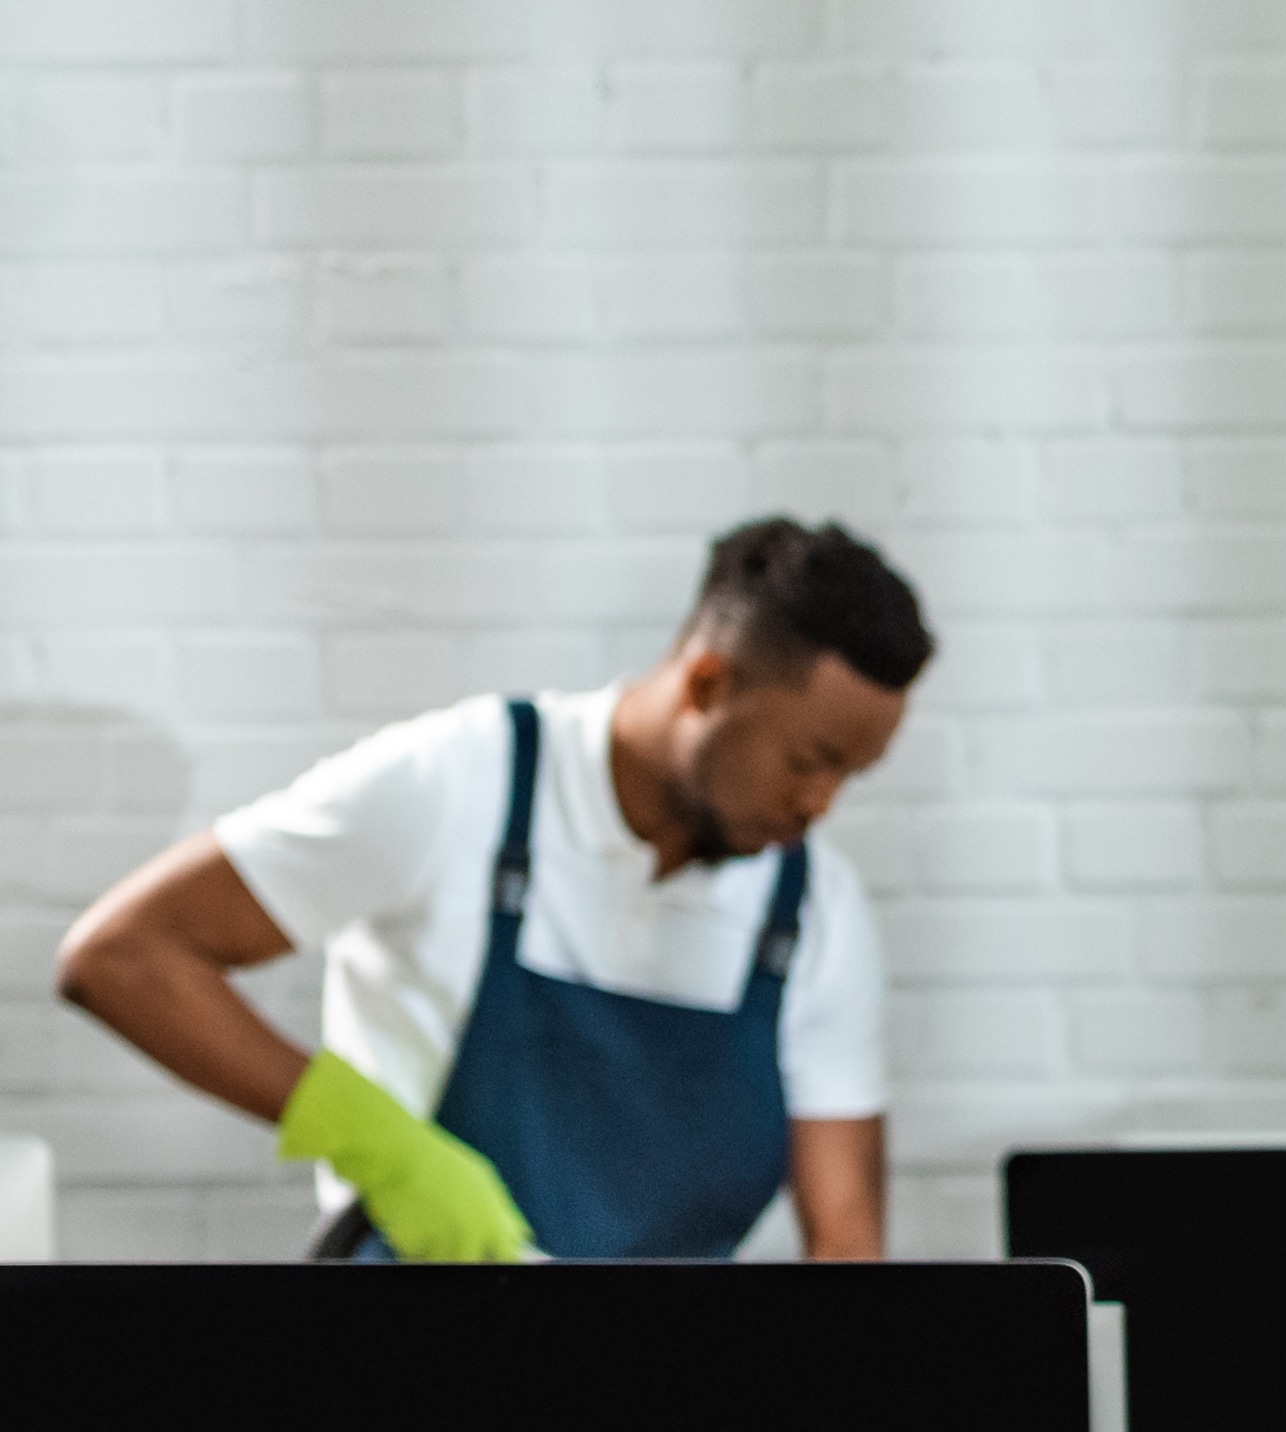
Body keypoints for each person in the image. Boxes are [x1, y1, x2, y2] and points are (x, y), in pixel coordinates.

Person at [46, 518, 930, 1266]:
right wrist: (387, 1150)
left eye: (852, 775)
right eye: (809, 761)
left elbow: (845, 1247)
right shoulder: (462, 784)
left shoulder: (815, 910)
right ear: (706, 684)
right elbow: (121, 955)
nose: (819, 805)